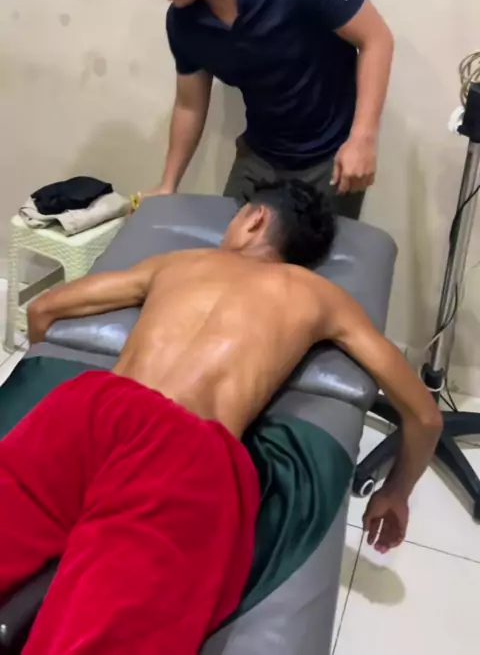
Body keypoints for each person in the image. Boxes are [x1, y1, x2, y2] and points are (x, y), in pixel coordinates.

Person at [0, 180, 441, 655]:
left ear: (255, 219)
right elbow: (424, 416)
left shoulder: (179, 263)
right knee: (103, 631)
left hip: (90, 407)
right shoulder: (320, 296)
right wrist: (395, 494)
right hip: (183, 451)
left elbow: (44, 309)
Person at [103, 0, 394, 220]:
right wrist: (168, 183)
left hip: (328, 162)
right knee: (227, 250)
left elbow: (377, 40)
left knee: (311, 257)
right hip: (260, 157)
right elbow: (189, 105)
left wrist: (362, 139)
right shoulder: (184, 23)